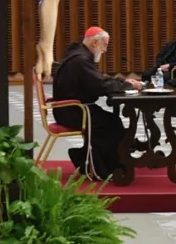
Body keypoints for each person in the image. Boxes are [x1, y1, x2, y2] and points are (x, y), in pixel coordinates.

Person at [52, 27, 143, 179]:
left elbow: (97, 78)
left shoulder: (80, 56)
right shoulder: (80, 60)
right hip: (72, 111)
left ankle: (108, 163)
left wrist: (123, 81)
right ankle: (105, 167)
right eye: (105, 45)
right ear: (95, 42)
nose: (105, 50)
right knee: (111, 124)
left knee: (112, 121)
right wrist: (128, 86)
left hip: (73, 108)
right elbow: (99, 85)